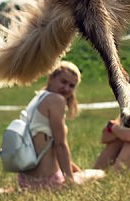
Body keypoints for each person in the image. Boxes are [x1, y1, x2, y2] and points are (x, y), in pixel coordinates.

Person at [12, 61, 104, 191]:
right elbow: (60, 144)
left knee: (82, 173)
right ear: (51, 78)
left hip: (24, 181)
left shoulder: (38, 98)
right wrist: (70, 180)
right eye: (63, 82)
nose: (66, 88)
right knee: (100, 173)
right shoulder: (56, 100)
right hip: (47, 182)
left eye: (71, 86)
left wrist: (76, 171)